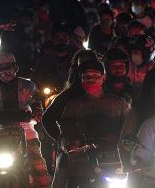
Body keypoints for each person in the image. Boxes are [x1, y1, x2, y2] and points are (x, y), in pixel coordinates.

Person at [51, 58, 130, 188]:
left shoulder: (119, 104)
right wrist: (70, 144)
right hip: (81, 160)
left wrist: (120, 140)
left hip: (112, 159)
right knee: (61, 175)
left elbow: (128, 130)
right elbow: (65, 131)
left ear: (103, 78)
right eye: (86, 77)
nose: (91, 79)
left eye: (95, 76)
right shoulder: (73, 105)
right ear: (81, 80)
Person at [0, 53, 51, 187]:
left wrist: (37, 111)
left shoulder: (28, 86)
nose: (5, 71)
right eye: (1, 68)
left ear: (16, 68)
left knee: (38, 167)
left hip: (24, 127)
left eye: (8, 67)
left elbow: (35, 101)